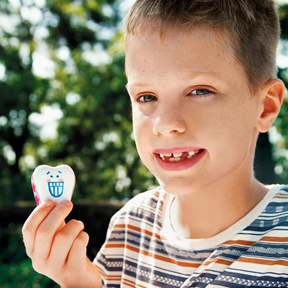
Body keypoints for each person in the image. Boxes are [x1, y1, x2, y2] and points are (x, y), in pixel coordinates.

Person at [22, 0, 288, 287]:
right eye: (146, 97)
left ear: (265, 107)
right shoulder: (130, 226)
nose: (164, 124)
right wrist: (76, 280)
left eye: (199, 91)